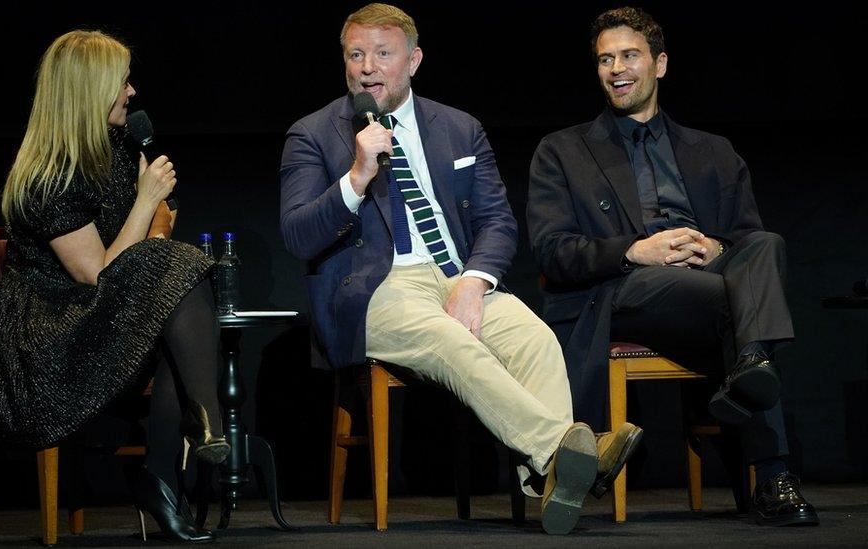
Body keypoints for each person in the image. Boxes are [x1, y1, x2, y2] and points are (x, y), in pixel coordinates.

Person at [280, 3, 640, 534]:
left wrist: (474, 281)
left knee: (535, 339)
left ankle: (548, 480)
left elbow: (497, 221)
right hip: (376, 291)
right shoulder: (314, 134)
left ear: (414, 60)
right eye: (356, 55)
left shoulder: (458, 127)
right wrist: (355, 178)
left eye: (383, 53)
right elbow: (297, 235)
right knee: (453, 342)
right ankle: (562, 455)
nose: (368, 67)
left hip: (457, 275)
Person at [526, 6, 818, 526]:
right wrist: (636, 250)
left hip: (705, 287)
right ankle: (773, 476)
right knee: (743, 305)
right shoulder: (563, 151)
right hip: (624, 291)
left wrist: (718, 251)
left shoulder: (714, 151)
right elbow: (552, 251)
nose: (617, 68)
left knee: (766, 246)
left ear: (659, 64)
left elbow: (748, 239)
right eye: (605, 59)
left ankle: (750, 366)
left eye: (630, 55)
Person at [0, 30, 228, 542]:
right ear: (89, 91)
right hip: (46, 339)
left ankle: (164, 473)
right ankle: (198, 431)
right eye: (122, 83)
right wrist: (147, 201)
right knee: (176, 275)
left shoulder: (118, 148)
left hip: (99, 316)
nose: (132, 93)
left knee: (177, 280)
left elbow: (150, 244)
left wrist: (153, 215)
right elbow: (99, 274)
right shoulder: (48, 176)